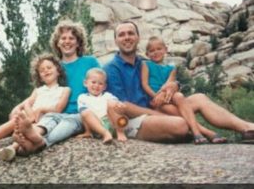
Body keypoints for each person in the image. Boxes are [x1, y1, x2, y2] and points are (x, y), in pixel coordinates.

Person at [103, 20, 254, 143]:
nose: (127, 37)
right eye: (121, 35)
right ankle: (198, 131)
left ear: (138, 38)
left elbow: (164, 80)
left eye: (131, 33)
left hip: (158, 107)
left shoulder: (143, 63)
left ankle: (247, 128)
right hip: (133, 120)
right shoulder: (111, 68)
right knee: (179, 124)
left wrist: (174, 85)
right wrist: (159, 114)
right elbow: (123, 106)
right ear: (116, 40)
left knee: (199, 98)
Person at [11, 20, 100, 155]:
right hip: (54, 114)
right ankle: (28, 144)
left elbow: (102, 84)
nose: (67, 41)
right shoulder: (53, 67)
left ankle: (35, 144)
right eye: (63, 38)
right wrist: (18, 108)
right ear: (57, 43)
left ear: (78, 42)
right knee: (46, 123)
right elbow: (42, 93)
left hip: (80, 114)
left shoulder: (90, 62)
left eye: (71, 38)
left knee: (64, 126)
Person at [141, 36, 226, 144]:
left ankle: (198, 133)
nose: (155, 52)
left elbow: (169, 85)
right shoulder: (146, 64)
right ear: (147, 54)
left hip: (167, 97)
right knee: (179, 112)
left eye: (159, 49)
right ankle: (203, 132)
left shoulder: (171, 68)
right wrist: (155, 96)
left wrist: (163, 94)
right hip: (154, 101)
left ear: (165, 49)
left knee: (179, 96)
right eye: (151, 51)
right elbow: (144, 84)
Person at [0, 53, 70, 161]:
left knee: (25, 145)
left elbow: (58, 109)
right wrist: (31, 116)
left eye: (49, 67)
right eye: (42, 70)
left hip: (46, 120)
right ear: (39, 76)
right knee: (20, 124)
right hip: (32, 120)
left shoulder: (65, 90)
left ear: (58, 71)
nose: (46, 71)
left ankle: (13, 146)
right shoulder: (38, 90)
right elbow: (27, 103)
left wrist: (41, 109)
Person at [76, 67, 128, 143]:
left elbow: (115, 101)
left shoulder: (107, 95)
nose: (96, 85)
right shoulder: (82, 97)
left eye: (100, 83)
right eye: (93, 82)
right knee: (84, 112)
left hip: (112, 124)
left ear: (104, 87)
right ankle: (100, 133)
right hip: (96, 127)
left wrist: (119, 105)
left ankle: (120, 132)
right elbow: (84, 113)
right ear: (85, 83)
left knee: (112, 103)